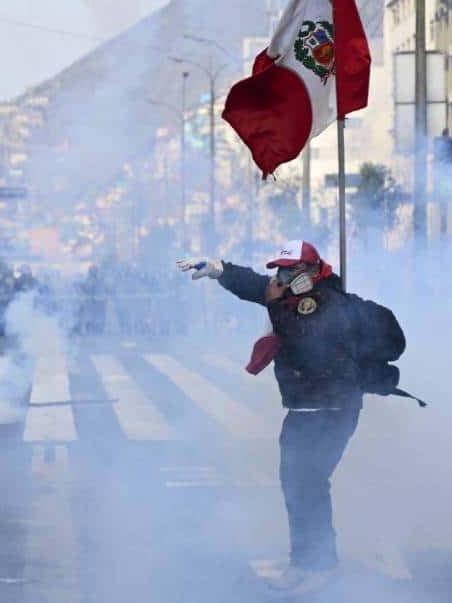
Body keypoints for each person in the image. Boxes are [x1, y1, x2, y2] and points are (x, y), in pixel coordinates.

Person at [176, 241, 411, 597]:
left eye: (290, 272)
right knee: (298, 485)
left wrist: (274, 302)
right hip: (307, 409)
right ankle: (308, 563)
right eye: (280, 271)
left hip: (332, 409)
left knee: (307, 484)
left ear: (313, 274)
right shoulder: (291, 299)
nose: (281, 278)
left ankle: (318, 565)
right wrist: (221, 269)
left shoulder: (325, 305)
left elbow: (306, 343)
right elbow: (259, 287)